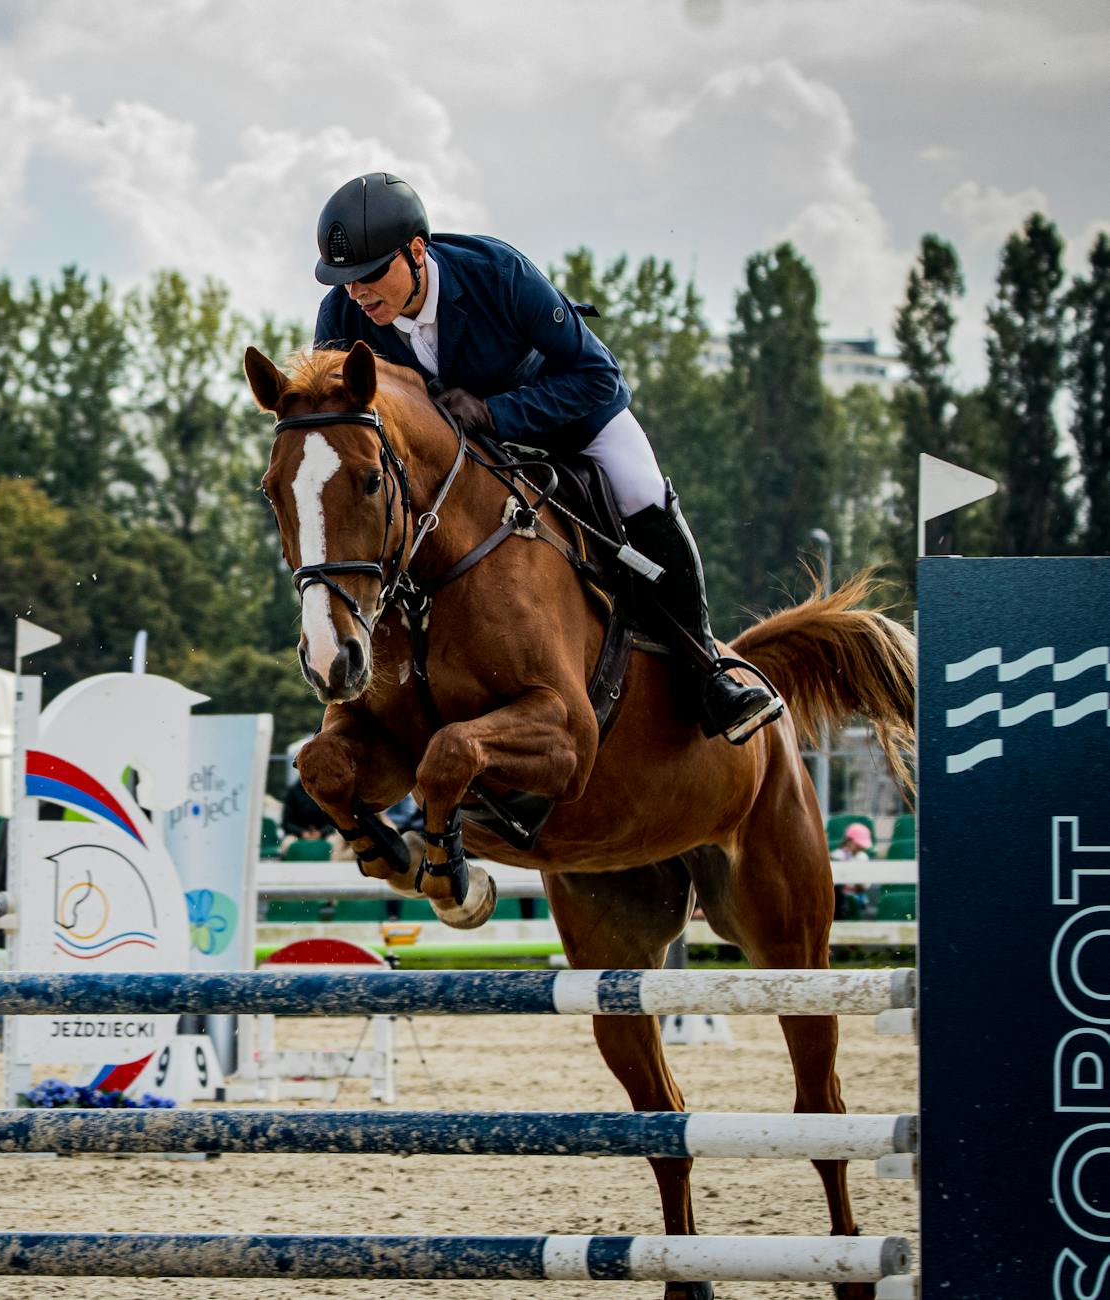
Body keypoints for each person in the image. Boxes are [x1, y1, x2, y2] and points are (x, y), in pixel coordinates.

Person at [309, 172, 782, 745]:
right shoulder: (340, 317)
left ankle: (707, 668)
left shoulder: (498, 273)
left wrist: (498, 412)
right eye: (346, 280)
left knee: (640, 490)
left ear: (416, 251)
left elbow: (597, 376)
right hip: (462, 456)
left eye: (370, 275)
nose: (357, 293)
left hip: (564, 414)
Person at [831, 822, 874, 920]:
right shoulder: (838, 855)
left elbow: (865, 884)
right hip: (838, 894)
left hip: (856, 895)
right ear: (848, 841)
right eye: (858, 844)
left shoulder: (862, 857)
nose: (860, 847)